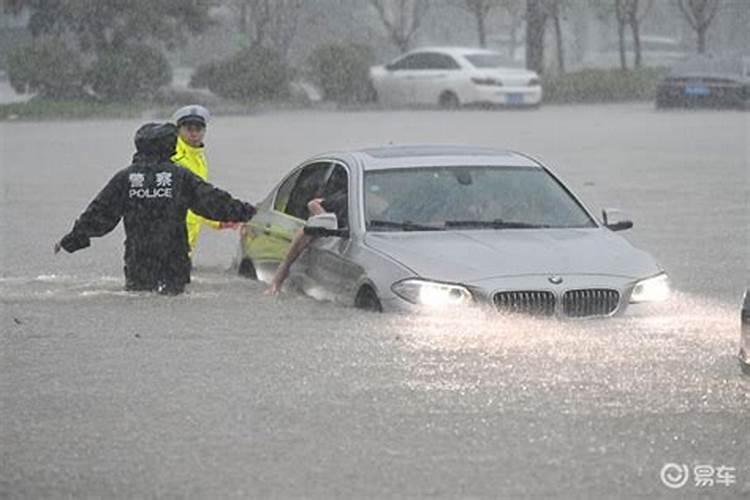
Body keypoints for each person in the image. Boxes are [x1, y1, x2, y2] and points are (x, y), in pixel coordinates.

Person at [54, 122, 256, 295]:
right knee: (173, 302)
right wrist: (250, 213)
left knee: (140, 298)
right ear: (170, 146)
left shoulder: (125, 179)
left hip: (139, 260)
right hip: (174, 259)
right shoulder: (180, 177)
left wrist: (73, 239)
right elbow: (214, 202)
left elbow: (99, 213)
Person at [265, 168, 348, 295]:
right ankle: (277, 280)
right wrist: (325, 218)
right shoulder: (344, 200)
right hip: (296, 237)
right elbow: (313, 204)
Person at [170, 105, 236, 256]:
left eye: (198, 129)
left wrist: (218, 221)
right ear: (178, 130)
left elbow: (200, 198)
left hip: (187, 237)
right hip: (173, 232)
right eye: (189, 129)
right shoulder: (174, 157)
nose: (194, 133)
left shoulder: (199, 157)